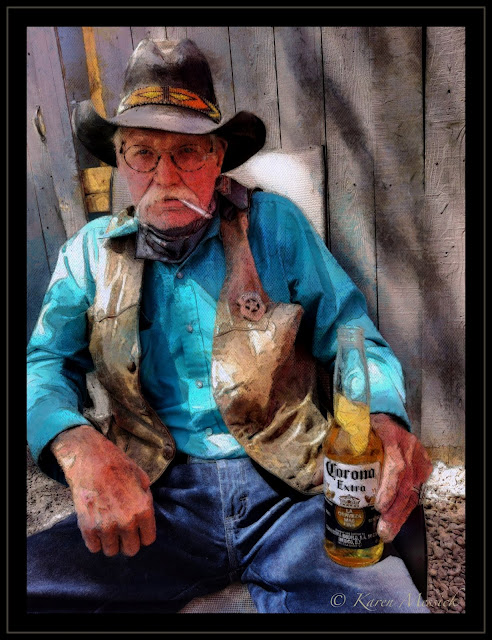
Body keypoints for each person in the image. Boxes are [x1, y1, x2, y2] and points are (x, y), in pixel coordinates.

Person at [26, 37, 433, 614]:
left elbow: (351, 334)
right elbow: (43, 363)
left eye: (188, 152)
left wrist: (384, 416)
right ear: (120, 160)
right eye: (142, 153)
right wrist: (74, 442)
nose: (165, 174)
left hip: (292, 493)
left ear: (218, 158)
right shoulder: (88, 254)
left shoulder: (276, 227)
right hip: (156, 496)